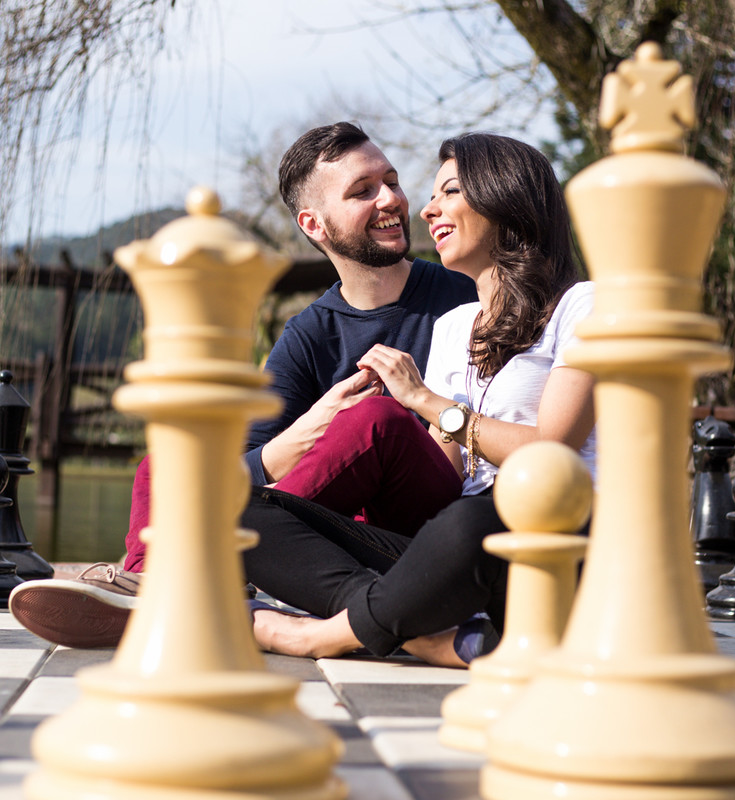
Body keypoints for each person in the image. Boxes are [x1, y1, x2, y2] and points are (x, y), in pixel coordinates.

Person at [8, 122, 476, 648]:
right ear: (314, 224)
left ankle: (190, 576)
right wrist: (309, 428)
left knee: (375, 420)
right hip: (336, 546)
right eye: (362, 190)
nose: (390, 198)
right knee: (166, 463)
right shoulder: (309, 333)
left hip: (432, 530)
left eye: (390, 180)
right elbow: (243, 464)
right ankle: (150, 579)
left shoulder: (462, 297)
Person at [242, 132, 596, 668]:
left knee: (469, 524)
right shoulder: (456, 327)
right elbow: (446, 478)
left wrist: (426, 402)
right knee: (240, 513)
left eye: (449, 191)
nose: (424, 209)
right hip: (457, 552)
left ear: (506, 198)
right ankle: (423, 635)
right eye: (430, 194)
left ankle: (318, 636)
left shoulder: (582, 307)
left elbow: (551, 457)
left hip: (547, 541)